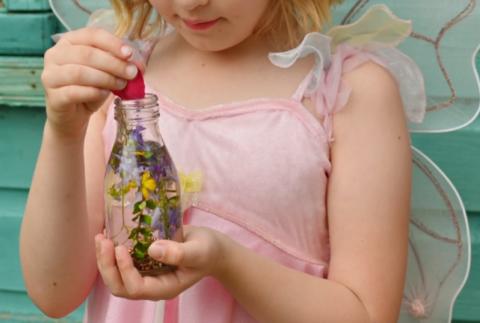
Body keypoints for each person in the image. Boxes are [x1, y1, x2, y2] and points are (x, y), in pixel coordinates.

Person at [20, 1, 417, 322]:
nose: (190, 3)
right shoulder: (119, 83)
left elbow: (366, 312)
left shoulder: (345, 91)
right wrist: (63, 134)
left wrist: (225, 261)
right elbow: (54, 292)